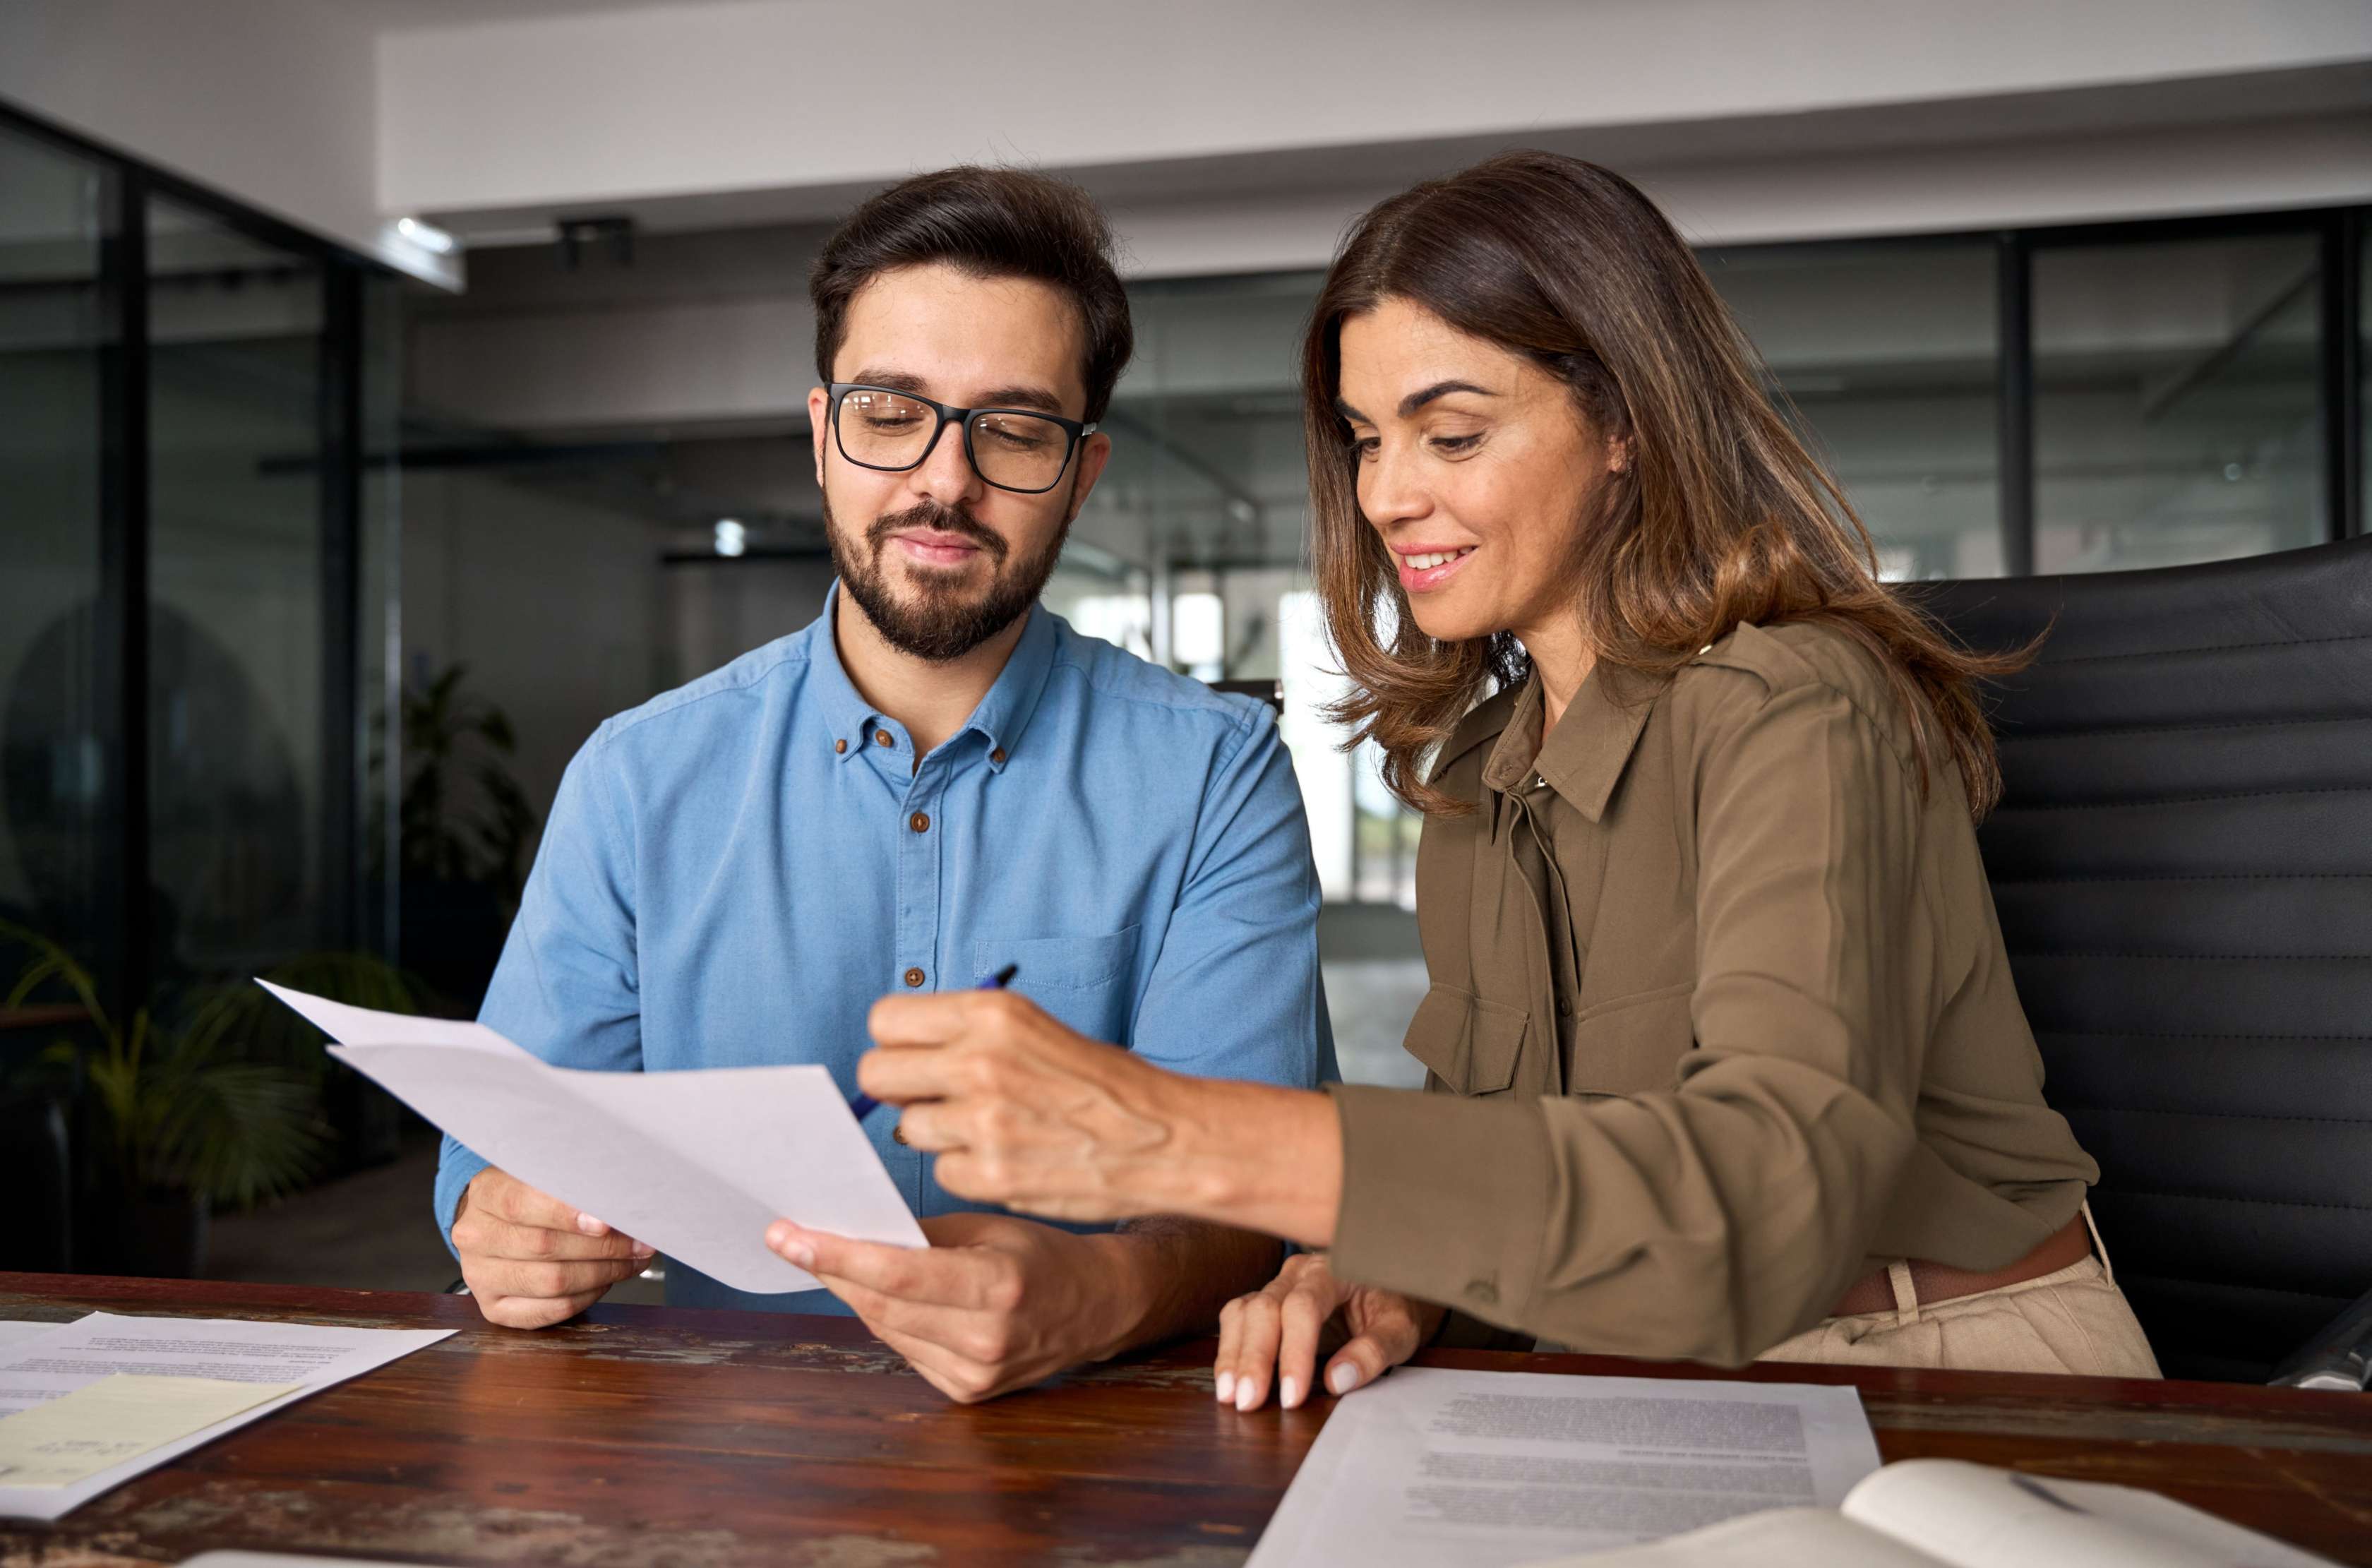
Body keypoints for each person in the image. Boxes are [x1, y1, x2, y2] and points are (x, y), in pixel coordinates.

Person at [836, 152, 2161, 1411]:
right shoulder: (1480, 773)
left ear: (1626, 425)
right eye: (1365, 439)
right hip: (1634, 1372)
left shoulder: (1801, 705)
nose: (1388, 495)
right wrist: (1399, 1274)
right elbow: (1517, 1162)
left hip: (1937, 1362)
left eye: (1451, 434)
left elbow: (1762, 1209)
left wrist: (1180, 1136)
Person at [437, 166, 1334, 1404]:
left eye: (1013, 429)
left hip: (1108, 1459)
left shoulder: (1213, 775)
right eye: (892, 410)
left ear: (1082, 471)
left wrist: (1097, 1293)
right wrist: (500, 1223)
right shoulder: (638, 779)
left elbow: (1258, 1195)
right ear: (822, 433)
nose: (945, 481)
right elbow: (497, 1152)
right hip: (729, 1465)